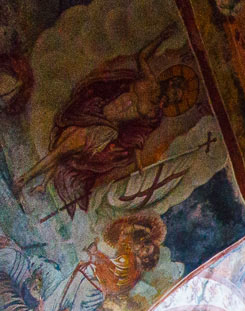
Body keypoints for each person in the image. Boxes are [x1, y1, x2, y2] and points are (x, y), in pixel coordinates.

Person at [14, 25, 198, 213]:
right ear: (171, 82)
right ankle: (41, 185)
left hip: (105, 128)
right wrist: (161, 38)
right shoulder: (150, 81)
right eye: (175, 91)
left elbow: (138, 137)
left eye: (177, 98)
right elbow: (142, 56)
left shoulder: (153, 113)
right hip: (96, 110)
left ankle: (26, 180)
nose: (173, 97)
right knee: (63, 149)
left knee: (62, 151)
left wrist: (140, 164)